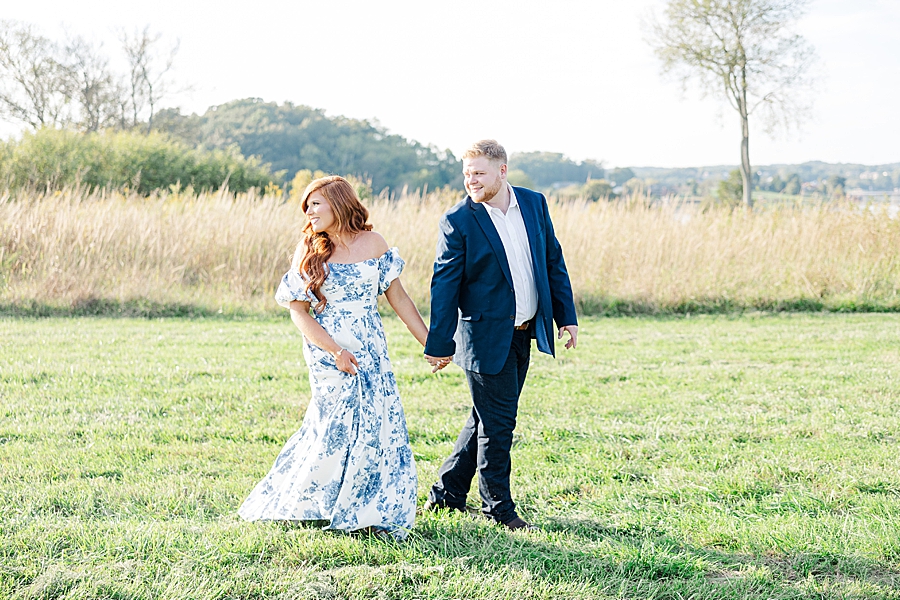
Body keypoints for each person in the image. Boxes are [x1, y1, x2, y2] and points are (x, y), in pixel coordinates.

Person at [238, 175, 428, 540]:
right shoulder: (308, 249)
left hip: (371, 348)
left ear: (339, 203)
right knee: (332, 426)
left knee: (375, 424)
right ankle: (310, 501)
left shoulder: (374, 243)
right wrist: (335, 351)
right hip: (328, 352)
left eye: (315, 204)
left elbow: (399, 298)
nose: (308, 212)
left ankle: (369, 507)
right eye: (306, 206)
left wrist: (429, 343)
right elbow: (298, 311)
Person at [423, 140, 578, 531]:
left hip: (523, 332)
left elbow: (553, 260)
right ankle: (499, 509)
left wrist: (565, 316)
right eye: (466, 174)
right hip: (482, 336)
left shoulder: (534, 203)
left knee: (485, 418)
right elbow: (444, 287)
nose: (470, 181)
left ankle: (447, 494)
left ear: (502, 171)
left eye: (478, 173)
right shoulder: (458, 220)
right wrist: (439, 344)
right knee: (498, 424)